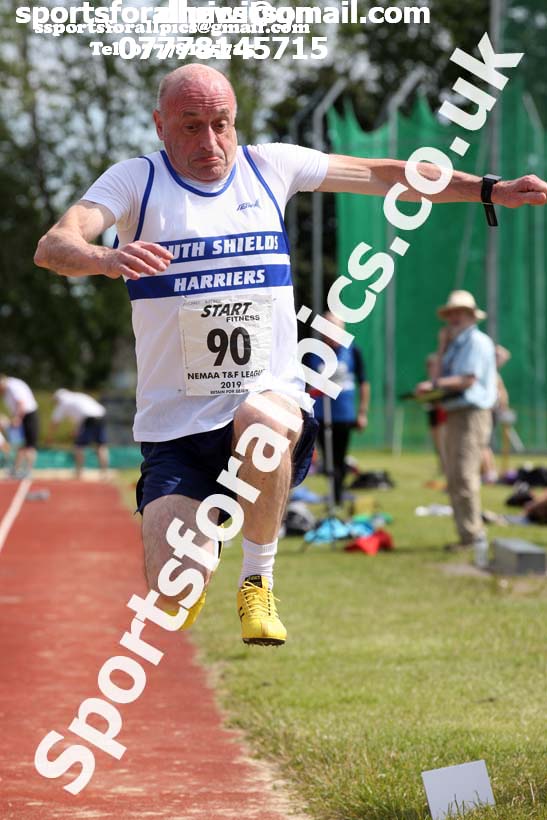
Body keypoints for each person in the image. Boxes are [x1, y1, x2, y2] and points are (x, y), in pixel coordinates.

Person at [34, 65, 547, 644]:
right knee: (172, 599)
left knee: (260, 415)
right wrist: (106, 259)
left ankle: (259, 581)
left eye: (221, 124)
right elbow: (54, 245)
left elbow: (387, 174)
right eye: (191, 126)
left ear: (236, 121)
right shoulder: (135, 182)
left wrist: (486, 188)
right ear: (159, 126)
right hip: (175, 428)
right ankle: (209, 533)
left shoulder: (268, 166)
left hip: (267, 405)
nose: (210, 142)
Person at [415, 290, 497, 566]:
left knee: (464, 475)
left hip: (471, 414)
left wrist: (434, 386)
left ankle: (473, 536)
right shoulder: (455, 343)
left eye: (458, 312)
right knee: (454, 475)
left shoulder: (476, 342)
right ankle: (466, 535)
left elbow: (467, 380)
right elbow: (439, 375)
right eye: (450, 313)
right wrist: (441, 348)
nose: (453, 318)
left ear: (471, 315)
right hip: (455, 413)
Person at [308, 312, 369, 506]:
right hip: (320, 415)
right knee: (327, 459)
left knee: (340, 458)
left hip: (344, 414)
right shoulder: (312, 353)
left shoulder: (353, 351)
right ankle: (333, 494)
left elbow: (364, 383)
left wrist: (362, 413)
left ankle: (336, 496)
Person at [48, 389, 109, 478]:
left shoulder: (63, 403)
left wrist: (49, 437)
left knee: (79, 447)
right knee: (101, 446)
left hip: (89, 419)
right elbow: (81, 416)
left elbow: (55, 422)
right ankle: (104, 473)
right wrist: (76, 430)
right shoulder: (78, 397)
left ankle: (79, 472)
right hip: (101, 416)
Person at [0, 375, 39, 477]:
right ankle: (16, 470)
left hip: (28, 416)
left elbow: (21, 403)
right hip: (22, 416)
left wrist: (17, 418)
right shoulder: (7, 390)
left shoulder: (13, 386)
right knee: (21, 445)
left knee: (30, 445)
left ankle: (28, 471)